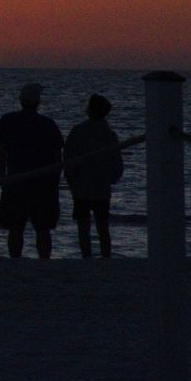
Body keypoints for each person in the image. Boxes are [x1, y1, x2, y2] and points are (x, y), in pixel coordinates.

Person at [0, 83, 64, 260]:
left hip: (16, 182)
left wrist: (3, 179)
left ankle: (15, 260)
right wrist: (56, 182)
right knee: (43, 228)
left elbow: (1, 155)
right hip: (43, 184)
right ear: (38, 102)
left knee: (16, 228)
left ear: (21, 100)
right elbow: (58, 158)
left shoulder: (7, 121)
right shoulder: (48, 124)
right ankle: (44, 261)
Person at [62, 94, 124, 259]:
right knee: (103, 227)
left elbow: (68, 159)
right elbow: (118, 166)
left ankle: (86, 257)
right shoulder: (110, 135)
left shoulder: (78, 131)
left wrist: (71, 180)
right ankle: (106, 258)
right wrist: (109, 180)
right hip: (102, 187)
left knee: (83, 227)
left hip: (81, 186)